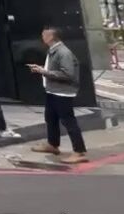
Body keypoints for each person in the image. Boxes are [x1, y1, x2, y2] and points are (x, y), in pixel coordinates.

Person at [29, 27, 87, 164]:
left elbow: (68, 74)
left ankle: (79, 151)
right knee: (51, 118)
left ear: (51, 37)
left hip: (63, 93)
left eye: (44, 34)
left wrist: (44, 72)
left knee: (68, 121)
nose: (42, 37)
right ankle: (53, 144)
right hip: (52, 90)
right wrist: (42, 70)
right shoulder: (53, 50)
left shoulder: (63, 52)